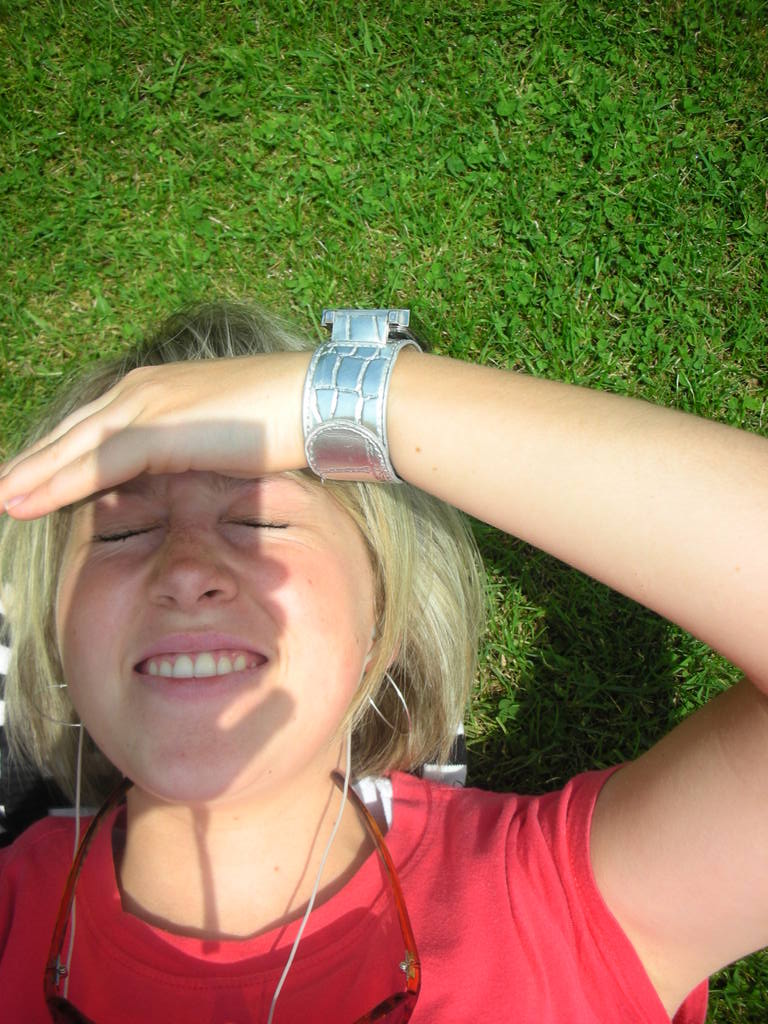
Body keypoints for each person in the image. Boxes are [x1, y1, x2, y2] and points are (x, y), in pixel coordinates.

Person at [0, 302, 766, 1023]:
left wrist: (338, 397)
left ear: (383, 616)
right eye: (122, 532)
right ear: (57, 625)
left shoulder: (555, 903)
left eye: (260, 520)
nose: (185, 571)